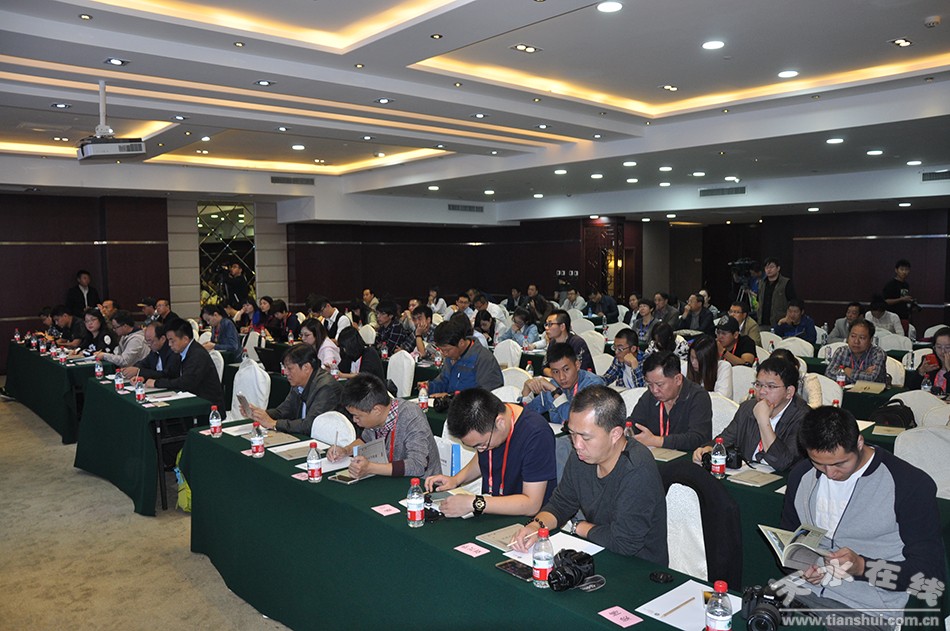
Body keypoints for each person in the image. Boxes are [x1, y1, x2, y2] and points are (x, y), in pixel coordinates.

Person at [780, 406, 944, 628]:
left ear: (859, 442)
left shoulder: (908, 485)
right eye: (819, 463)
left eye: (839, 463)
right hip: (803, 591)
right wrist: (803, 568)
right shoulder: (802, 475)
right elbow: (791, 542)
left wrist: (863, 568)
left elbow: (929, 576)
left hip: (867, 608)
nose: (830, 474)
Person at [510, 386, 668, 561]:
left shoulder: (637, 469)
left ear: (615, 434)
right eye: (572, 434)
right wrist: (536, 526)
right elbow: (561, 504)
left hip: (638, 565)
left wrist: (578, 527)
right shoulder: (581, 456)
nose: (577, 444)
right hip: (599, 549)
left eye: (585, 437)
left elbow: (624, 542)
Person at [425, 388, 557, 517]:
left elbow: (532, 505)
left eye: (481, 444)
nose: (480, 450)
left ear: (500, 423)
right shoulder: (492, 418)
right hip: (491, 509)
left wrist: (474, 503)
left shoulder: (537, 434)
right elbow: (482, 456)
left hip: (527, 521)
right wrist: (456, 480)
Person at [693, 357, 807, 472]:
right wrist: (708, 448)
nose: (762, 391)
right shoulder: (747, 408)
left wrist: (763, 421)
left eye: (771, 386)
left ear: (789, 392)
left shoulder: (803, 418)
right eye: (758, 384)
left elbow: (783, 463)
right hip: (745, 476)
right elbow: (725, 439)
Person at [326, 374, 440, 480]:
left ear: (376, 410)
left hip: (422, 484)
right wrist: (345, 450)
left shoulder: (411, 416)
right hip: (390, 477)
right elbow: (365, 440)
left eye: (357, 416)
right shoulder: (377, 415)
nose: (354, 420)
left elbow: (418, 465)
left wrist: (370, 468)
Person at [246, 343, 341, 435]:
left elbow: (311, 425)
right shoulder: (298, 383)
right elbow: (283, 411)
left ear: (306, 367)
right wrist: (260, 414)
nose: (285, 372)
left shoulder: (325, 387)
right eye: (285, 368)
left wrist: (274, 423)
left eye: (290, 368)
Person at [629, 351, 712, 451]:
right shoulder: (649, 396)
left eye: (659, 384)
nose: (654, 390)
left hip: (687, 457)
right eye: (649, 384)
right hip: (655, 456)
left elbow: (698, 438)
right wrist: (625, 430)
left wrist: (657, 441)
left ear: (678, 379)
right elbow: (634, 422)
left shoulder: (698, 397)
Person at [146, 318, 224, 410]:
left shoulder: (197, 355)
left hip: (208, 406)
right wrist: (145, 377)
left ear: (185, 339)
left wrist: (157, 383)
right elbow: (169, 373)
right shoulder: (180, 352)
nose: (169, 344)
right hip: (192, 399)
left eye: (172, 341)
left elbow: (185, 383)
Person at [522, 343, 606, 425]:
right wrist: (526, 391)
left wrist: (556, 393)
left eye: (566, 369)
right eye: (555, 372)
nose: (561, 377)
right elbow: (527, 414)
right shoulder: (554, 384)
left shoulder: (594, 385)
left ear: (577, 365)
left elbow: (577, 422)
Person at [427, 317, 503, 395]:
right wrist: (428, 387)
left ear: (461, 343)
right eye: (442, 350)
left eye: (447, 350)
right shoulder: (451, 356)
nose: (444, 354)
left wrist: (451, 397)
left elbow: (487, 394)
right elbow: (443, 382)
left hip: (473, 402)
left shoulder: (484, 359)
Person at [824, 319, 887, 385]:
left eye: (862, 338)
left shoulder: (877, 354)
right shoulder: (841, 351)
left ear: (870, 340)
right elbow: (829, 374)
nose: (856, 341)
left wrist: (846, 370)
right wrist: (863, 372)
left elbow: (872, 378)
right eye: (853, 336)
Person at [906, 326, 950, 392]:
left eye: (947, 347)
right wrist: (921, 372)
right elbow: (911, 389)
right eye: (939, 347)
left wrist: (949, 369)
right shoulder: (929, 362)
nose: (943, 351)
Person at [757, 257, 797, 328]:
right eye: (766, 267)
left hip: (780, 322)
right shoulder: (761, 283)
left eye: (771, 267)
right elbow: (758, 300)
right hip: (762, 322)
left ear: (778, 268)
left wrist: (788, 317)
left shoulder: (786, 283)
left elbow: (793, 302)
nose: (769, 270)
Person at [882, 258, 914, 333]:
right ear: (896, 270)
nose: (904, 272)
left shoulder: (906, 285)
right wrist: (901, 299)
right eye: (902, 269)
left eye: (906, 270)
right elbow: (886, 301)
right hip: (891, 318)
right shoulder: (890, 285)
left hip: (904, 317)